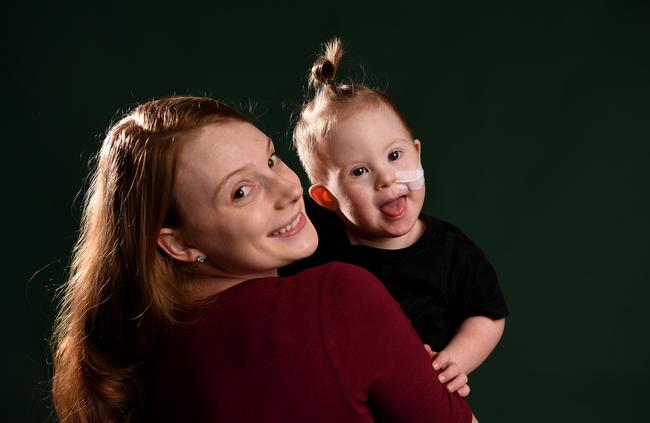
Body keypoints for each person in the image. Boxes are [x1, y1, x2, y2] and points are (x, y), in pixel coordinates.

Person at [51, 96, 477, 422]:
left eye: (271, 159)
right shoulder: (337, 300)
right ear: (178, 244)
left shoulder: (129, 359)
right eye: (241, 191)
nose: (289, 189)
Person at [283, 39, 509, 397]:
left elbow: (489, 313)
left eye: (395, 155)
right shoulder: (312, 238)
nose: (387, 178)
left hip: (415, 394)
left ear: (417, 154)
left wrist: (454, 361)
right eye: (359, 171)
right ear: (326, 198)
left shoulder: (450, 251)